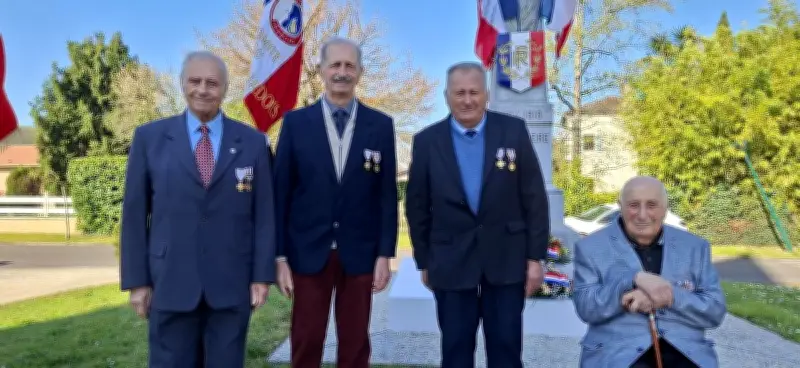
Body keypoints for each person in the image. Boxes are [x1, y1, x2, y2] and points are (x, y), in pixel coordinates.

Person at [119, 50, 276, 368]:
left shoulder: (253, 143)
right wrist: (137, 282)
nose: (203, 89)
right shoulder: (150, 138)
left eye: (212, 83)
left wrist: (261, 277)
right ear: (182, 84)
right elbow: (135, 217)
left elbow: (264, 217)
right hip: (170, 283)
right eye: (195, 81)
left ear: (224, 89)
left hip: (231, 285)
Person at [404, 61, 549, 368]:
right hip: (450, 262)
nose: (467, 100)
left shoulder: (513, 131)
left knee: (506, 351)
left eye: (474, 92)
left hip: (506, 260)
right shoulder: (427, 141)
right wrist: (425, 260)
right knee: (456, 351)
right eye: (459, 93)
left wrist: (535, 258)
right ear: (446, 96)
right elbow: (416, 207)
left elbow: (534, 198)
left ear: (486, 95)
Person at [273, 36, 398, 368]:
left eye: (349, 66)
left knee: (356, 343)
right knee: (306, 339)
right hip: (307, 251)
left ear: (359, 72)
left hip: (360, 253)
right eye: (335, 65)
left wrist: (385, 254)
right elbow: (280, 193)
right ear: (322, 70)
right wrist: (280, 256)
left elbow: (387, 195)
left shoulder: (381, 126)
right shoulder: (295, 123)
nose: (342, 72)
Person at [572, 176, 727, 368]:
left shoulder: (695, 247)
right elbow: (586, 308)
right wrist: (630, 282)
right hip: (617, 354)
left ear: (665, 208)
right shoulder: (590, 247)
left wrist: (668, 297)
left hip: (686, 353)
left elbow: (715, 311)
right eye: (634, 205)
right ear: (620, 206)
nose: (642, 215)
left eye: (652, 205)